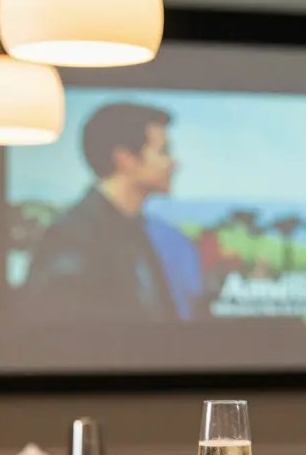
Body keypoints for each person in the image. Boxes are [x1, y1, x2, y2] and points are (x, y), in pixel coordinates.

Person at [25, 102, 201, 322]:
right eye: (164, 151)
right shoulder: (73, 237)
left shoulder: (133, 229)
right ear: (125, 159)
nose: (174, 163)